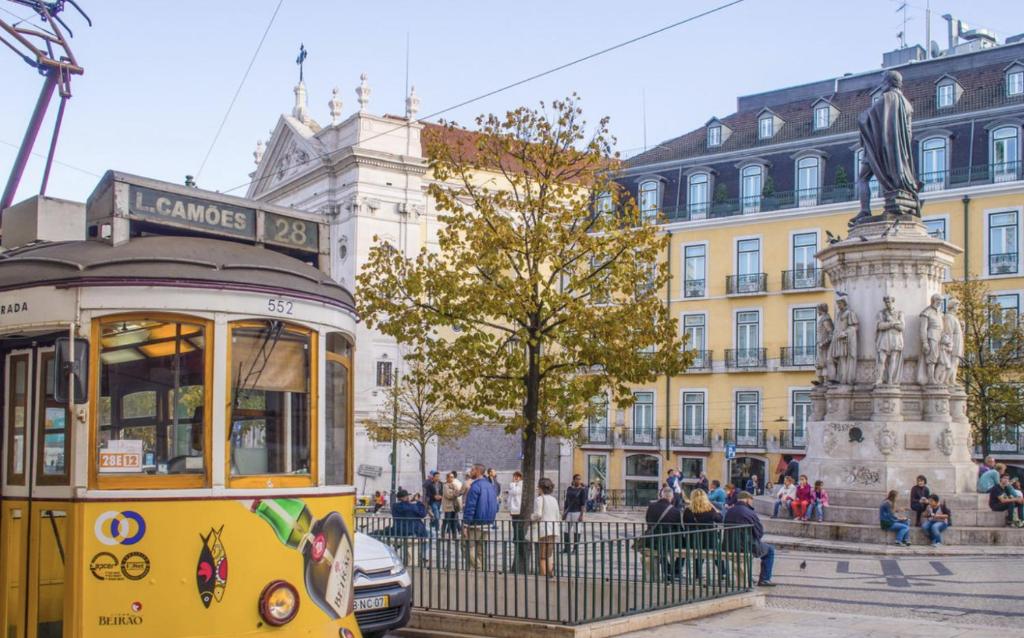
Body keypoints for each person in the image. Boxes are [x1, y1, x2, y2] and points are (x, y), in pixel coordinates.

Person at [724, 490, 775, 587]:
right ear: (747, 500)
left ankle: (748, 577)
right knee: (770, 550)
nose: (752, 502)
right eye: (751, 500)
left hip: (729, 545)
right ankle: (765, 579)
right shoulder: (749, 512)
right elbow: (759, 532)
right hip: (746, 546)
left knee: (752, 548)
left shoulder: (729, 511)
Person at [683, 488, 725, 580]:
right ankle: (723, 572)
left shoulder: (688, 510)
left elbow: (685, 523)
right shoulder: (710, 509)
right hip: (710, 537)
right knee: (716, 555)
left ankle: (698, 574)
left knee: (698, 555)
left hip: (693, 538)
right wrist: (715, 509)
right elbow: (720, 519)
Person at [644, 486, 684, 581]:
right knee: (684, 546)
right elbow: (678, 528)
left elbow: (648, 521)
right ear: (672, 497)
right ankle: (676, 571)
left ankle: (669, 570)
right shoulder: (675, 511)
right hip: (668, 541)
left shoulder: (651, 507)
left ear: (661, 496)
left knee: (660, 550)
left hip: (652, 539)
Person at [462, 464, 498, 569]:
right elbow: (495, 505)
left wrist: (465, 524)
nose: (470, 472)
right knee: (480, 550)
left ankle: (478, 568)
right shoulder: (490, 486)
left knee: (466, 546)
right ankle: (481, 572)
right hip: (488, 522)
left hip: (476, 523)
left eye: (472, 470)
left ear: (477, 471)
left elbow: (470, 506)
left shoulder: (475, 486)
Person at [531, 477, 561, 577]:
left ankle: (543, 576)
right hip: (554, 529)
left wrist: (531, 517)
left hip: (544, 529)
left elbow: (538, 514)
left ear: (541, 488)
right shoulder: (554, 499)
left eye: (538, 487)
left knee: (542, 555)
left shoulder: (539, 499)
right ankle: (551, 574)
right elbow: (558, 516)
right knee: (549, 554)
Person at [563, 474, 587, 553]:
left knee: (577, 530)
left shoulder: (582, 490)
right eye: (577, 479)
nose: (578, 480)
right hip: (569, 512)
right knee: (566, 530)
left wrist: (581, 515)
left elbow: (583, 503)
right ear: (573, 480)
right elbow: (566, 501)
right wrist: (564, 512)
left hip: (577, 512)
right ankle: (566, 548)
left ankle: (575, 549)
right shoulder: (569, 489)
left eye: (579, 479)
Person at [441, 471, 463, 538]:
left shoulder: (454, 485)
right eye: (450, 477)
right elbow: (448, 495)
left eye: (453, 477)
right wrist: (454, 493)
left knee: (454, 521)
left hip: (454, 506)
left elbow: (458, 492)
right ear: (447, 478)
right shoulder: (445, 485)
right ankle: (443, 535)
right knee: (446, 520)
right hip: (448, 506)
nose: (452, 478)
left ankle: (454, 535)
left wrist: (454, 493)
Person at [424, 471, 443, 535]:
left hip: (440, 502)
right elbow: (428, 494)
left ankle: (432, 524)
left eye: (438, 476)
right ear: (433, 477)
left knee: (438, 515)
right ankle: (437, 529)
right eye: (436, 476)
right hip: (433, 501)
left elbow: (443, 492)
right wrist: (434, 496)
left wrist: (441, 496)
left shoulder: (442, 484)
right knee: (436, 515)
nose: (437, 478)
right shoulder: (430, 485)